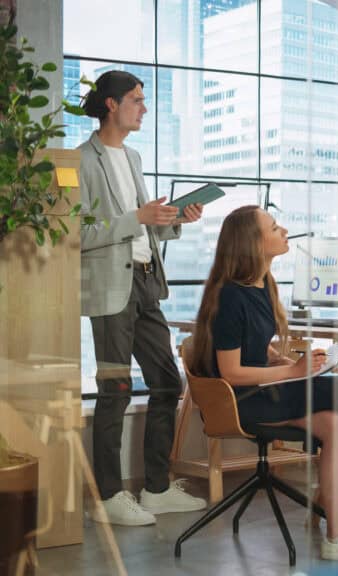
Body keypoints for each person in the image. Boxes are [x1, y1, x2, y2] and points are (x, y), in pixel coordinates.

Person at [189, 205, 338, 563]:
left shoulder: (260, 285)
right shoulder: (230, 296)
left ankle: (337, 538)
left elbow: (254, 346)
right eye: (274, 227)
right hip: (241, 399)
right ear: (253, 243)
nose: (284, 230)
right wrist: (294, 372)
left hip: (262, 389)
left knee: (335, 422)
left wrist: (282, 360)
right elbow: (231, 372)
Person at [79, 70, 207, 525]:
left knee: (167, 382)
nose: (144, 108)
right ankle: (109, 497)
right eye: (136, 100)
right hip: (110, 287)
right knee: (113, 388)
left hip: (146, 281)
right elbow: (77, 234)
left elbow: (144, 224)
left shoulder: (132, 157)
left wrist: (175, 219)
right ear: (111, 104)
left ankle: (154, 488)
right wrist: (138, 215)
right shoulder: (81, 161)